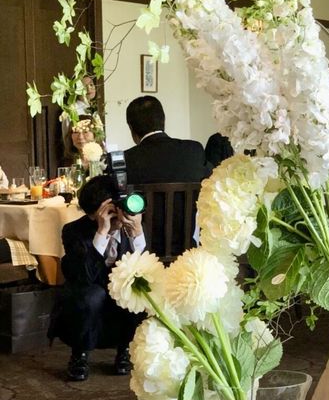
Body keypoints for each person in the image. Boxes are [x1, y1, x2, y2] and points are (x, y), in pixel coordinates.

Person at [48, 175, 146, 381]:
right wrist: (102, 232)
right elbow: (83, 277)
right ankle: (80, 354)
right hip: (90, 289)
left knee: (138, 289)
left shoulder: (133, 222)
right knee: (91, 296)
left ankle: (125, 350)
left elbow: (147, 270)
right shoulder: (74, 231)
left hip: (123, 290)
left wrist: (137, 233)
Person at [124, 96, 212, 255]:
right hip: (187, 253)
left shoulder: (125, 159)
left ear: (131, 129)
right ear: (163, 121)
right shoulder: (194, 151)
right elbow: (211, 184)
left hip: (141, 253)